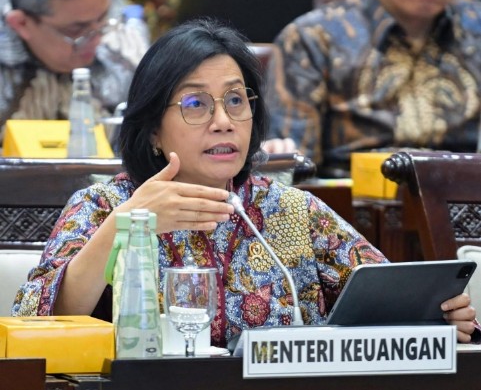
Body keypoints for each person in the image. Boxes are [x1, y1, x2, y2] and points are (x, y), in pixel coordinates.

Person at [12, 19, 478, 346]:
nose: (223, 121)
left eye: (236, 100)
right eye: (196, 104)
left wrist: (435, 317)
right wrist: (125, 225)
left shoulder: (293, 211)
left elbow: (388, 298)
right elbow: (36, 320)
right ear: (153, 129)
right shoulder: (103, 205)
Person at [264, 0, 481, 178]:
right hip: (346, 197)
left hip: (464, 193)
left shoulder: (476, 30)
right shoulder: (312, 38)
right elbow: (294, 166)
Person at [0, 0, 147, 140]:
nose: (97, 39)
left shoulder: (127, 50)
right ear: (21, 23)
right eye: (76, 30)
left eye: (102, 18)